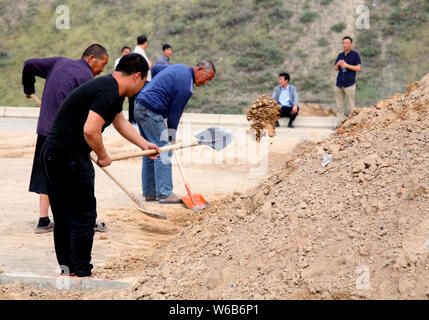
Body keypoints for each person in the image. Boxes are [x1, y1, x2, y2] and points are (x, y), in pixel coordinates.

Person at [40, 53, 160, 277]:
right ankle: (83, 271)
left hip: (53, 152)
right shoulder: (109, 92)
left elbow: (120, 122)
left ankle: (68, 270)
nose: (142, 87)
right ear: (137, 76)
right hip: (69, 156)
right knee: (84, 215)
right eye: (143, 82)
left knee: (64, 216)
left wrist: (145, 144)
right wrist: (103, 155)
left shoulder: (107, 87)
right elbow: (90, 129)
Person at [22, 44, 109, 234]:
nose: (103, 69)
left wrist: (28, 87)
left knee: (47, 174)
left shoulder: (57, 63)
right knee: (81, 176)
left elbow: (28, 64)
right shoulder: (86, 79)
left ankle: (43, 221)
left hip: (45, 132)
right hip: (67, 137)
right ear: (91, 58)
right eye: (102, 64)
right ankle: (86, 220)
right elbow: (88, 117)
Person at [134, 60, 215, 204]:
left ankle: (150, 192)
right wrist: (171, 137)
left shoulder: (180, 67)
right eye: (207, 77)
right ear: (199, 69)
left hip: (140, 105)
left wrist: (155, 88)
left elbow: (157, 69)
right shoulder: (186, 88)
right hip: (152, 111)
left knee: (149, 151)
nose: (206, 82)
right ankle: (165, 193)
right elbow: (174, 115)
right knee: (164, 150)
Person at [334, 36, 361, 127]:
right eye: (344, 43)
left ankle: (351, 125)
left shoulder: (355, 55)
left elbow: (358, 67)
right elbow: (335, 68)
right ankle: (339, 125)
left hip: (349, 83)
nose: (345, 45)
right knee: (339, 106)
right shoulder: (340, 55)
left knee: (351, 106)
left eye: (347, 43)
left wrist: (346, 65)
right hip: (339, 83)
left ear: (351, 44)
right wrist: (338, 64)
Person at [114, 46, 136, 124]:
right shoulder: (118, 61)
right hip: (121, 84)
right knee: (120, 101)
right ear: (122, 52)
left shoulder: (133, 62)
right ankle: (116, 118)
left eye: (129, 52)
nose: (127, 54)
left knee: (131, 102)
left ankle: (131, 120)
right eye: (126, 52)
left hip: (130, 85)